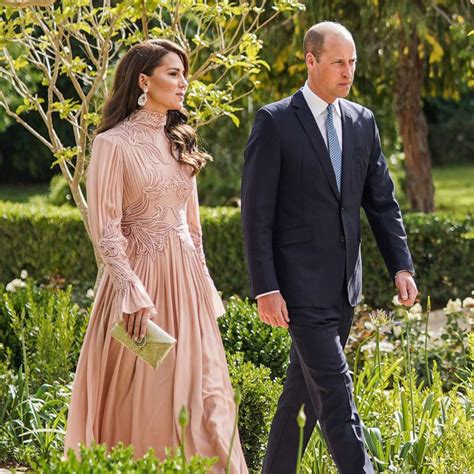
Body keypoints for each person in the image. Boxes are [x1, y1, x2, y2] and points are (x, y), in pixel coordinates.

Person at [241, 22, 418, 474]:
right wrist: (266, 288)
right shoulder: (275, 121)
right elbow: (256, 215)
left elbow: (381, 202)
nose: (348, 71)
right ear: (311, 60)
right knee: (338, 397)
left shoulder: (361, 122)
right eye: (338, 62)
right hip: (298, 290)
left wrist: (400, 265)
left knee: (300, 398)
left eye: (352, 62)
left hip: (344, 288)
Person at [64, 38, 248, 473]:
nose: (184, 82)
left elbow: (194, 227)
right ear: (144, 80)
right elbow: (106, 227)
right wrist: (131, 291)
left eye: (184, 73)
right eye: (174, 73)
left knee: (207, 397)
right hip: (140, 287)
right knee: (148, 398)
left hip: (187, 287)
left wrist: (204, 286)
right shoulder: (112, 144)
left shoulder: (181, 140)